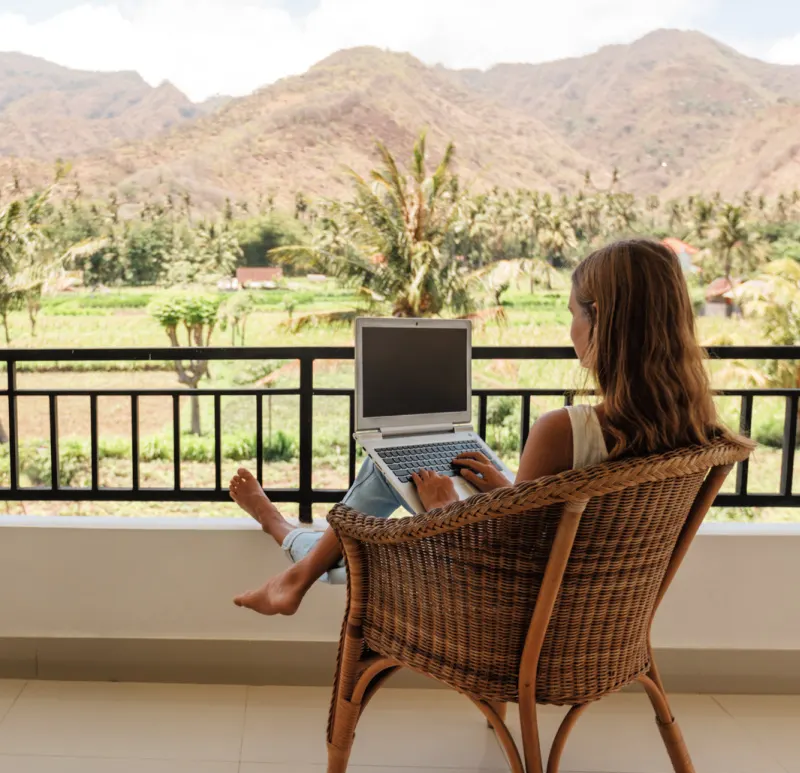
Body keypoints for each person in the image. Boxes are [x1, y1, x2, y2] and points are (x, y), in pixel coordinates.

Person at [230, 238, 724, 616]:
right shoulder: (698, 430)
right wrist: (508, 491)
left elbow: (505, 550)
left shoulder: (564, 430)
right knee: (374, 514)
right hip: (595, 619)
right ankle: (292, 556)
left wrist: (445, 506)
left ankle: (289, 557)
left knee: (362, 528)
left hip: (499, 611)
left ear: (603, 323)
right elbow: (568, 528)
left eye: (572, 314)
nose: (570, 328)